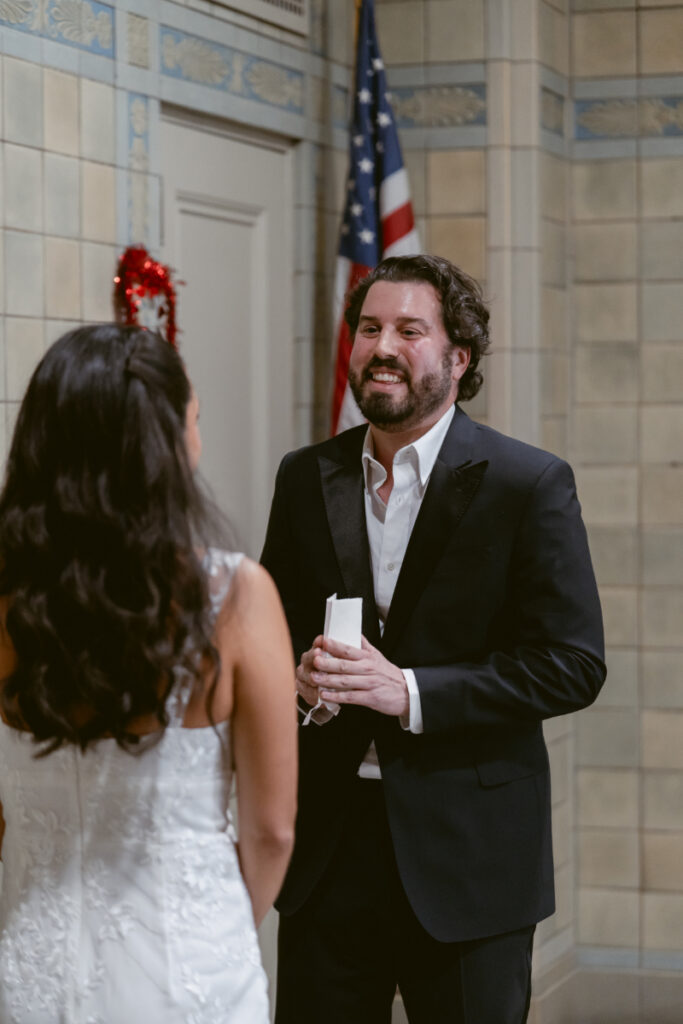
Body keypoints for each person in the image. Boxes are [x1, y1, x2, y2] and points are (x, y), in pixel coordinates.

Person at [261, 254, 606, 1024]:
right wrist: (298, 678)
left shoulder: (526, 483)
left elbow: (572, 665)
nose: (381, 346)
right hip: (327, 853)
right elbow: (273, 631)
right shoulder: (304, 476)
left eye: (408, 330)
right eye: (368, 328)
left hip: (470, 860)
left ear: (458, 358)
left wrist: (409, 692)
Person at [0, 324, 297, 1023]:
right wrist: (209, 932)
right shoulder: (234, 597)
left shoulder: (9, 603)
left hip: (32, 976)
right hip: (188, 978)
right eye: (193, 421)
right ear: (164, 449)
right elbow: (271, 830)